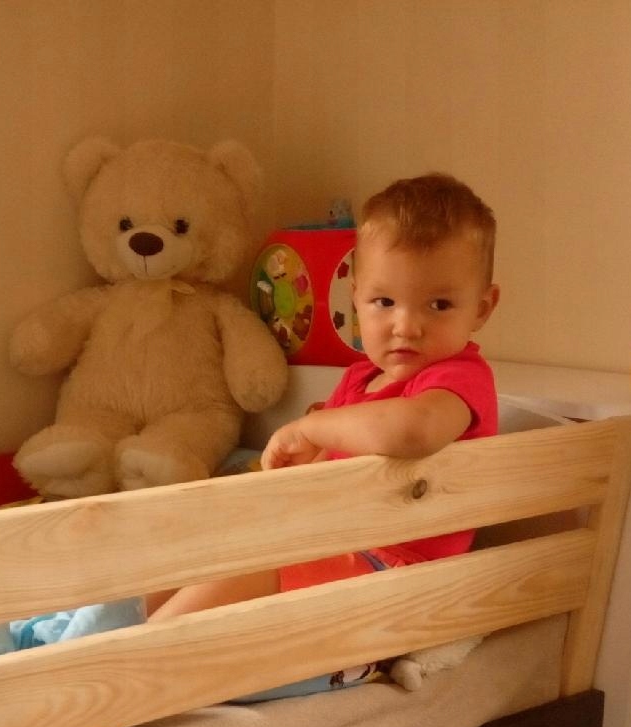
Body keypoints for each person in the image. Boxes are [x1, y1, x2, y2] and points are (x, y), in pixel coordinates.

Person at [146, 172, 501, 620]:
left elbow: (414, 430)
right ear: (356, 300)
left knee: (236, 577)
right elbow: (329, 465)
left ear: (481, 308)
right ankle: (108, 629)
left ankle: (137, 653)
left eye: (439, 305)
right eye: (384, 302)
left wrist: (311, 426)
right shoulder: (358, 380)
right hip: (332, 543)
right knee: (200, 553)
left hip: (397, 573)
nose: (406, 326)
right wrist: (295, 474)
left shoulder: (459, 379)